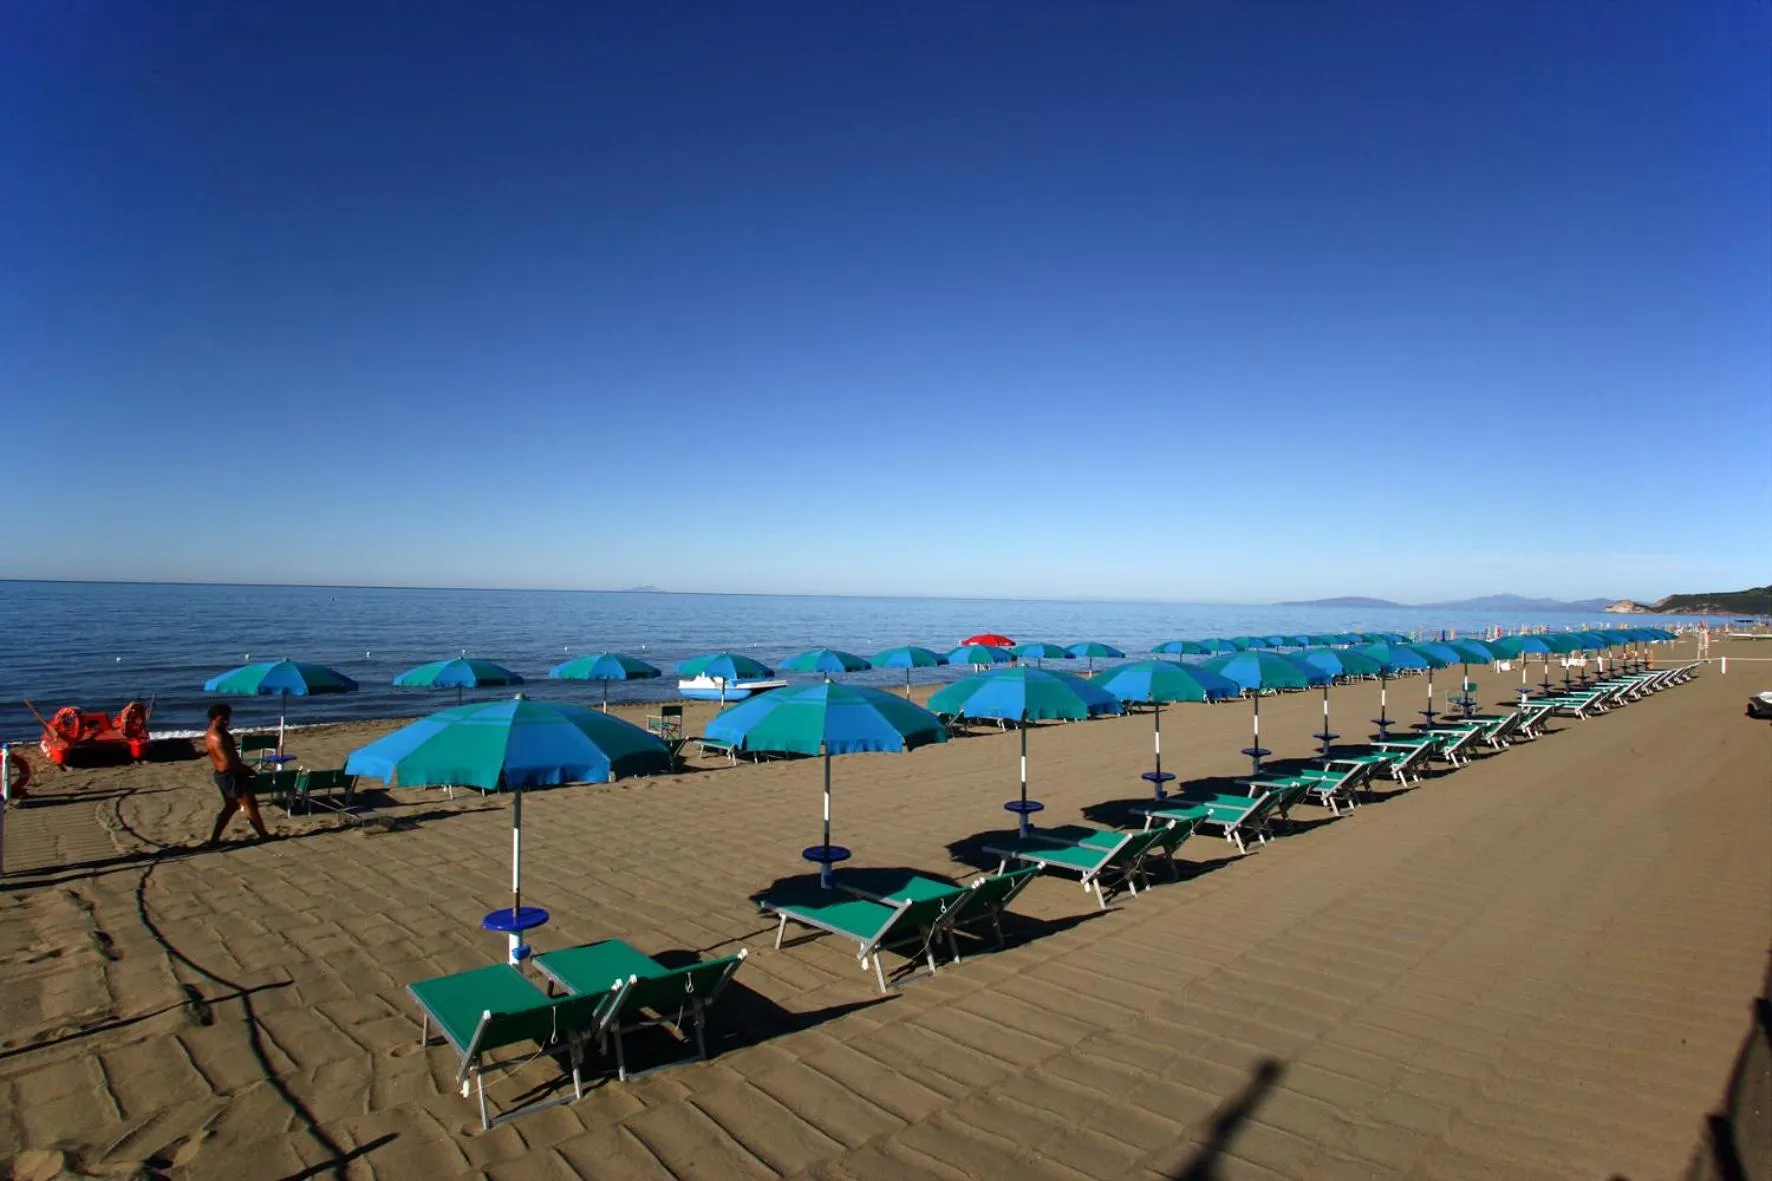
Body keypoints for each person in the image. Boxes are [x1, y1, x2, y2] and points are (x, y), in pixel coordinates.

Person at [204, 703, 272, 846]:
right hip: (230, 774)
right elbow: (228, 762)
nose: (227, 721)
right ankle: (264, 835)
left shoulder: (216, 733)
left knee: (231, 807)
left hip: (227, 774)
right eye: (223, 718)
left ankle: (214, 839)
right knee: (250, 803)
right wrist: (246, 770)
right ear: (214, 718)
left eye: (228, 717)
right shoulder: (217, 736)